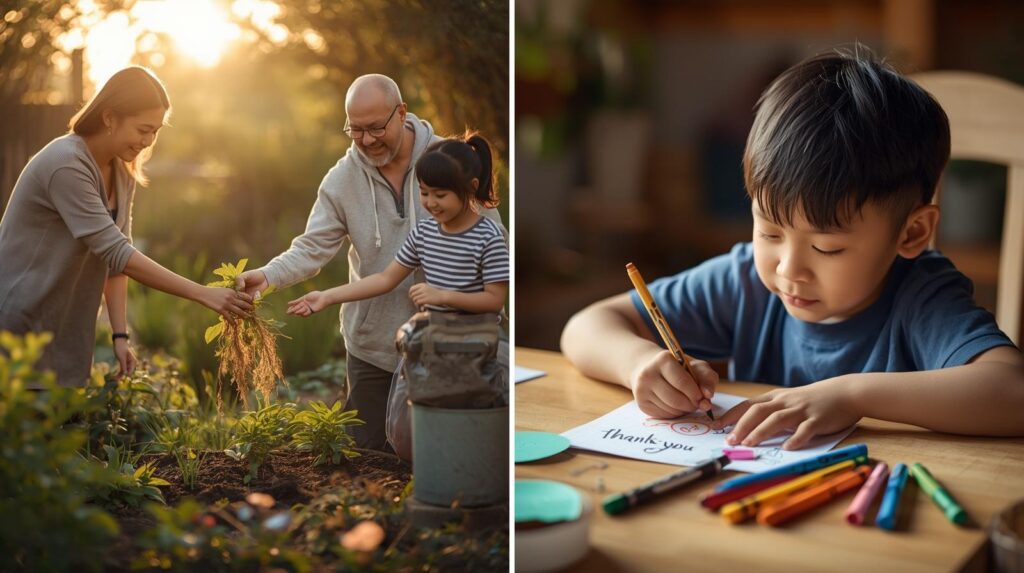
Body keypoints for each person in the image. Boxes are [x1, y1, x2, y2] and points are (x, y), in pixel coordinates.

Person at [561, 47, 1024, 451]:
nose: (789, 269)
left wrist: (852, 396)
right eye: (770, 233)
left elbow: (1012, 391)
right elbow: (586, 327)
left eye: (827, 248)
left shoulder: (921, 295)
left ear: (911, 234)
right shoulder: (745, 282)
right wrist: (638, 363)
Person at [236, 75, 506, 452]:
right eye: (355, 130)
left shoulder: (450, 162)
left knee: (450, 454)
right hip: (373, 350)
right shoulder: (342, 181)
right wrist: (269, 276)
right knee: (368, 456)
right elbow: (316, 248)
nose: (366, 140)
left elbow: (493, 261)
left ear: (402, 113)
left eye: (376, 128)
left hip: (454, 349)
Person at [0, 66, 253, 388]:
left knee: (65, 418)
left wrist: (120, 335)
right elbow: (117, 252)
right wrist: (202, 293)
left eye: (155, 132)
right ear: (109, 117)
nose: (147, 141)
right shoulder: (65, 164)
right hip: (19, 324)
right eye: (142, 129)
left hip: (65, 330)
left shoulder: (122, 169)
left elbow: (116, 263)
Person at [285, 133, 508, 316]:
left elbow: (494, 300)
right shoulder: (424, 233)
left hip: (477, 347)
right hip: (437, 344)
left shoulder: (489, 237)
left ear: (471, 187)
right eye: (424, 192)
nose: (431, 203)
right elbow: (385, 279)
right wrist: (326, 297)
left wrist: (442, 296)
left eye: (440, 195)